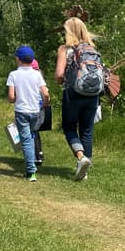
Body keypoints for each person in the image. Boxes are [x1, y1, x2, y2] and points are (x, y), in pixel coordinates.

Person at [54, 17, 101, 181]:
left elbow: (59, 75)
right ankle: (84, 171)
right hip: (93, 95)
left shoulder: (65, 49)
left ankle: (82, 158)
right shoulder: (92, 49)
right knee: (87, 131)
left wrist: (62, 79)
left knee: (69, 128)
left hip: (73, 94)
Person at [7, 46, 50, 182]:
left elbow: (11, 97)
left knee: (26, 140)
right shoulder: (37, 74)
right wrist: (44, 103)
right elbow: (46, 93)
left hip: (21, 111)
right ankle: (32, 163)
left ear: (18, 59)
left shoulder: (14, 75)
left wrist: (15, 99)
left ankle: (31, 171)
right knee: (30, 137)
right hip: (35, 111)